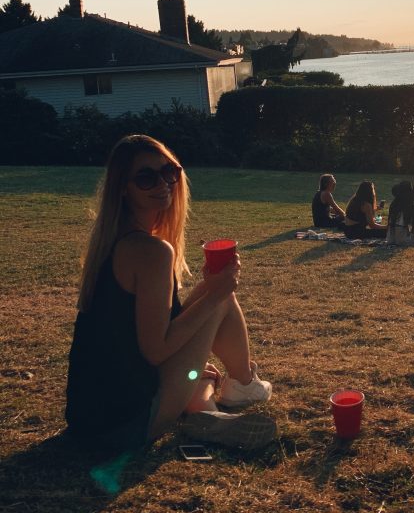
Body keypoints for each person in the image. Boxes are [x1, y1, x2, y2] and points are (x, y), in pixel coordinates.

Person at [65, 134, 275, 454]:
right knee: (219, 299)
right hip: (126, 426)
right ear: (123, 188)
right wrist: (216, 295)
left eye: (169, 172)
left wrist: (210, 290)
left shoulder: (114, 241)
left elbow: (138, 338)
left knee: (203, 353)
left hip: (90, 420)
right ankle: (244, 385)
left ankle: (205, 412)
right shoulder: (151, 251)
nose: (163, 183)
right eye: (146, 177)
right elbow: (156, 350)